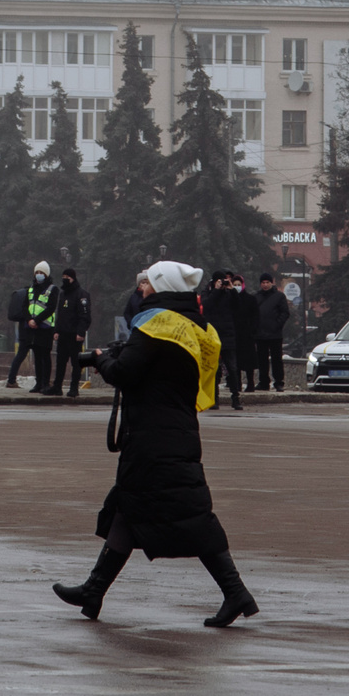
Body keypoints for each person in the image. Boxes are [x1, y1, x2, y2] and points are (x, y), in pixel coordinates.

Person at [51, 260, 257, 628]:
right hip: (174, 431)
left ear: (161, 288)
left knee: (191, 517)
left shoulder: (156, 326)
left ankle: (235, 591)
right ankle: (93, 591)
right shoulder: (194, 327)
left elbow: (125, 373)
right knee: (131, 508)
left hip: (154, 438)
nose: (141, 289)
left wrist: (101, 360)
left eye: (146, 283)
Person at [209, 272, 255, 411]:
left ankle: (235, 398)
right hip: (214, 336)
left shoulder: (230, 294)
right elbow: (208, 306)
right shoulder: (210, 293)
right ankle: (214, 399)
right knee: (215, 370)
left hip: (228, 335)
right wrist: (216, 290)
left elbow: (238, 306)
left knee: (233, 369)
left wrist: (232, 290)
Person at [13, 262, 59, 393]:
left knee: (45, 356)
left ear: (47, 274)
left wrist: (37, 320)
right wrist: (29, 320)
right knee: (37, 357)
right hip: (32, 328)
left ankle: (45, 383)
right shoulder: (31, 288)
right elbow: (24, 306)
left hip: (45, 328)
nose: (39, 275)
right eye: (37, 273)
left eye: (42, 273)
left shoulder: (52, 289)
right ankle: (38, 383)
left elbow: (51, 308)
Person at [54, 268, 94, 399]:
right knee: (60, 362)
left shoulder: (81, 294)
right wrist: (56, 330)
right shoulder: (63, 294)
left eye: (67, 277)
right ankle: (57, 387)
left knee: (76, 363)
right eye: (63, 276)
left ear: (73, 278)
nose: (65, 279)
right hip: (63, 333)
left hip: (74, 335)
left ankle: (73, 388)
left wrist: (81, 332)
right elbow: (59, 314)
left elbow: (85, 315)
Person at [253, 274, 292, 393]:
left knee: (276, 359)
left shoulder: (279, 296)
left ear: (272, 283)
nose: (265, 285)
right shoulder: (257, 296)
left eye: (267, 282)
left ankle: (279, 382)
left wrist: (276, 325)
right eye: (263, 283)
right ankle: (264, 382)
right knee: (262, 359)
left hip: (275, 334)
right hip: (260, 334)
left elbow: (285, 313)